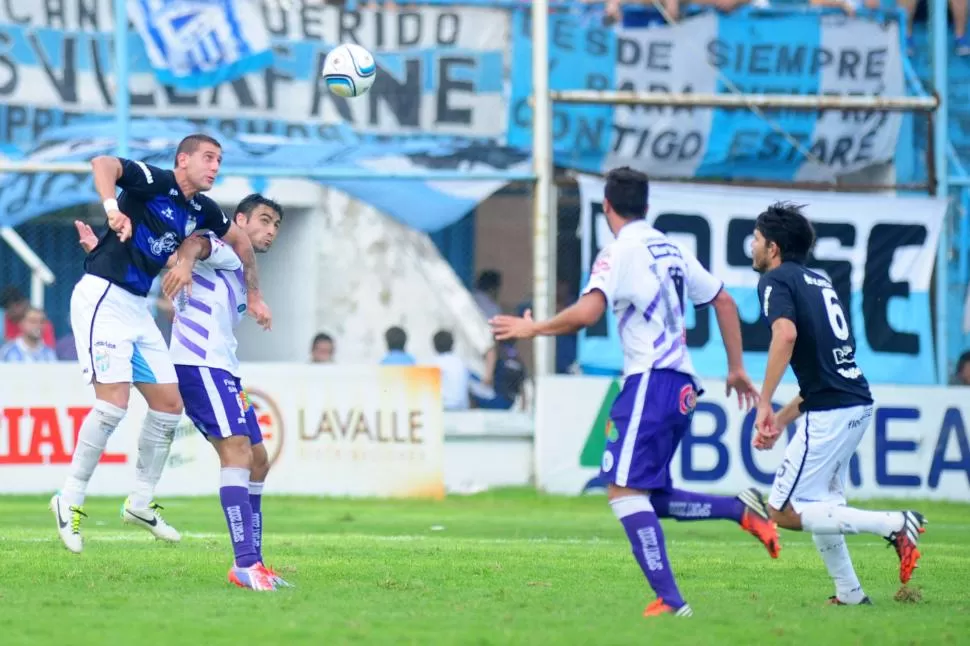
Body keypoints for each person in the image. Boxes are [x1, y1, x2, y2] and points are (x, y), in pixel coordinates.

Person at [490, 167, 779, 618]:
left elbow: (587, 313)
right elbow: (723, 299)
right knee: (646, 493)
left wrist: (534, 327)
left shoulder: (619, 251)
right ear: (646, 205)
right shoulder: (673, 249)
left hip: (651, 381)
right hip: (680, 384)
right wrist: (737, 367)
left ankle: (672, 600)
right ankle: (739, 511)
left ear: (607, 206)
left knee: (623, 493)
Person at [50, 134, 272, 555]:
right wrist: (112, 208)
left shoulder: (200, 209)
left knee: (169, 404)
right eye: (208, 158)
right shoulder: (154, 181)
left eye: (219, 160)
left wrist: (256, 294)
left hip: (136, 307)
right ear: (183, 159)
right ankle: (70, 498)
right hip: (103, 296)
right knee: (113, 404)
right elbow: (103, 163)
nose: (215, 167)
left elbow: (239, 242)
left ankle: (139, 502)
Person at [751, 202, 926, 605]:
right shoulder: (818, 282)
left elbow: (786, 336)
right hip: (852, 402)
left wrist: (763, 403)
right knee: (822, 506)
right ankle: (849, 593)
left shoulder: (775, 283)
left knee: (781, 510)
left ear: (773, 248)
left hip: (833, 413)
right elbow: (825, 369)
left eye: (757, 240)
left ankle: (895, 524)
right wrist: (780, 418)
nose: (753, 246)